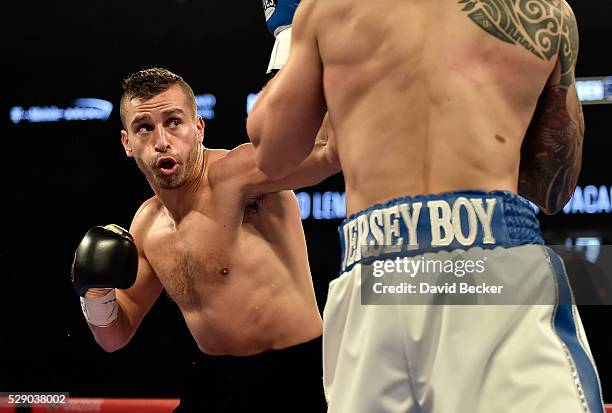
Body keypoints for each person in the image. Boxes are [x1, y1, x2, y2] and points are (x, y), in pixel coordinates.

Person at [248, 1, 605, 412]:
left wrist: (290, 34)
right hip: (492, 259)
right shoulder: (542, 11)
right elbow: (553, 189)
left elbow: (273, 153)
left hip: (374, 272)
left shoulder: (328, 10)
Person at [72, 67, 339, 412]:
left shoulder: (239, 175)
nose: (162, 141)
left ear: (198, 128)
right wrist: (94, 292)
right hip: (214, 380)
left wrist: (323, 55)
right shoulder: (146, 225)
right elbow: (114, 337)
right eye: (145, 128)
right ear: (127, 143)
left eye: (173, 122)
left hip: (293, 376)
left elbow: (329, 151)